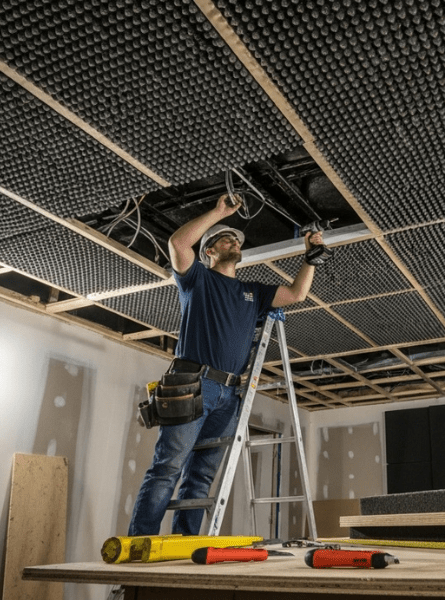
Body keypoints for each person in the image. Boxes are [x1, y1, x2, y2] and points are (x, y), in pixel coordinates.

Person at [129, 193, 323, 536]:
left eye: (236, 239)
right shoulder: (197, 280)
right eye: (224, 238)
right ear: (209, 251)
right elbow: (177, 243)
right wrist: (218, 212)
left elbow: (296, 294)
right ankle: (139, 541)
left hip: (230, 394)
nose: (233, 240)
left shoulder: (253, 291)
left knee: (201, 475)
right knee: (168, 467)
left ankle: (184, 542)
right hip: (193, 384)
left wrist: (310, 257)